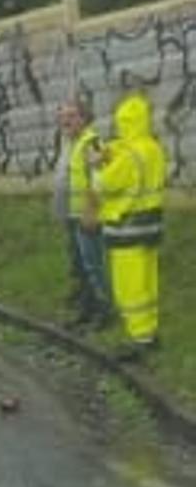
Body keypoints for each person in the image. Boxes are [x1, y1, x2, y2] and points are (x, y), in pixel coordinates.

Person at [89, 92, 166, 358]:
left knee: (130, 289)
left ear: (124, 122)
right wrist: (112, 152)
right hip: (150, 227)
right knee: (148, 283)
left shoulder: (128, 154)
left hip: (126, 231)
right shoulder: (153, 147)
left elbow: (105, 184)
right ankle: (151, 332)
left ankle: (139, 339)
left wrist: (97, 165)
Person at [53, 97, 111, 330]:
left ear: (84, 118)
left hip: (88, 217)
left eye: (71, 116)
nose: (65, 121)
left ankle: (104, 312)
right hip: (72, 215)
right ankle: (86, 310)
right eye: (62, 116)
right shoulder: (69, 142)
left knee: (93, 266)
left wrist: (91, 212)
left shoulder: (92, 142)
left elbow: (100, 180)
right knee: (80, 267)